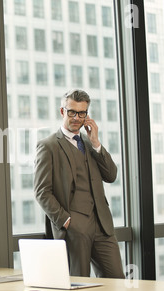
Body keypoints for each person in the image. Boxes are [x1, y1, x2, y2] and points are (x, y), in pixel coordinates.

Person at [34, 89, 125, 279]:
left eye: (81, 113)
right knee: (78, 287)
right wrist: (66, 221)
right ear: (62, 112)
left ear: (87, 115)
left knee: (116, 282)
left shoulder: (89, 142)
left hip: (102, 226)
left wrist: (96, 143)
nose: (76, 117)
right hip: (74, 229)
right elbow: (42, 192)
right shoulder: (48, 145)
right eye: (72, 112)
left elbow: (111, 175)